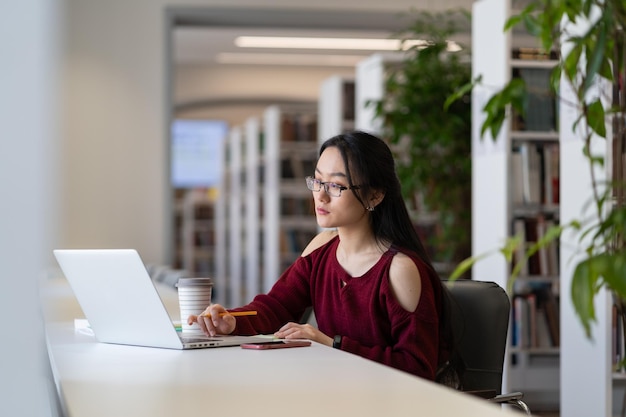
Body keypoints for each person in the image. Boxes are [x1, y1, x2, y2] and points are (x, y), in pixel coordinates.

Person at [189, 130, 447, 380]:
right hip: (332, 392)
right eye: (317, 181)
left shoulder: (399, 269)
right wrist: (232, 321)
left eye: (335, 185)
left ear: (375, 195)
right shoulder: (321, 248)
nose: (320, 196)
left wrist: (331, 344)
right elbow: (276, 306)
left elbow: (417, 369)